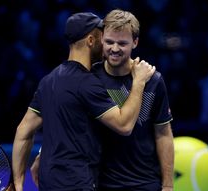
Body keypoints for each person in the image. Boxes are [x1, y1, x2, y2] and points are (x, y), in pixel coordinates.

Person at [30, 9, 174, 191]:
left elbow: (163, 133)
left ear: (135, 43)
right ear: (101, 40)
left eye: (122, 43)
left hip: (145, 183)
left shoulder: (153, 80)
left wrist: (168, 185)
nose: (114, 49)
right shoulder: (88, 79)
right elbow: (67, 121)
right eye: (109, 42)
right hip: (100, 182)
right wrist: (44, 152)